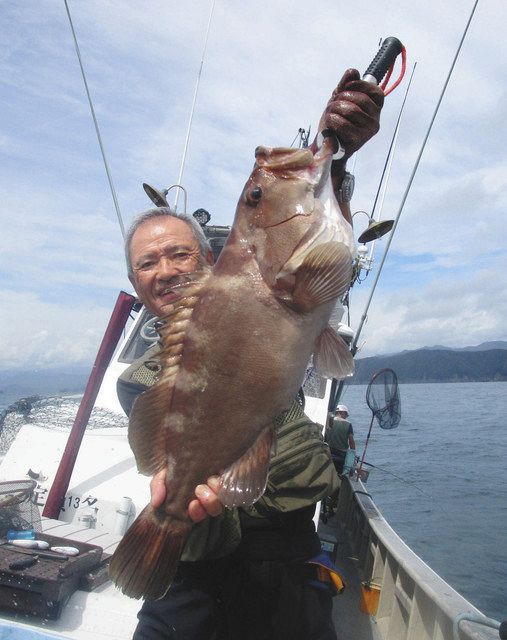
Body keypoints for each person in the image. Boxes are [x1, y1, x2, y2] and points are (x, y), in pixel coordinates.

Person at [117, 68, 384, 639]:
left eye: (180, 254)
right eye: (147, 263)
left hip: (288, 556)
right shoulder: (138, 378)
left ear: (208, 261)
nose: (165, 271)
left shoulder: (258, 289)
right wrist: (186, 511)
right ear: (134, 282)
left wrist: (335, 157)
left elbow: (304, 244)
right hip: (195, 567)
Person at [325, 405, 356, 475]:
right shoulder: (348, 424)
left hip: (328, 452)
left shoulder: (328, 420)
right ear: (342, 412)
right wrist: (353, 456)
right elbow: (351, 441)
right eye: (346, 414)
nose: (346, 417)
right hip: (341, 455)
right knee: (339, 474)